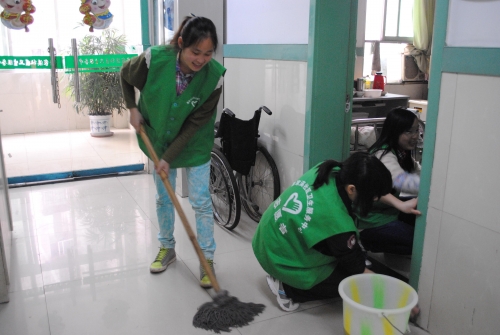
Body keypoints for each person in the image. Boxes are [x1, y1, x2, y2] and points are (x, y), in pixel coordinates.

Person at [120, 15, 225, 288]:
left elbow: (194, 125)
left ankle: (206, 259)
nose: (201, 59)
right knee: (164, 197)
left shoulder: (213, 78)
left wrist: (168, 159)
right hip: (159, 137)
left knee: (201, 201)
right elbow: (124, 74)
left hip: (194, 142)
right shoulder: (154, 59)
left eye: (208, 53)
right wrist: (132, 107)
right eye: (195, 52)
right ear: (181, 44)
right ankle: (167, 248)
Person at [252, 152, 420, 311]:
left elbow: (369, 188)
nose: (376, 199)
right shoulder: (336, 224)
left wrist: (400, 204)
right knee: (350, 282)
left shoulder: (331, 170)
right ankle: (287, 289)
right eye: (373, 196)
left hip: (268, 233)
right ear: (352, 189)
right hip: (275, 255)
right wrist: (395, 298)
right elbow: (358, 270)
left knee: (350, 259)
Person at [357, 108, 422, 256]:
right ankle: (363, 241)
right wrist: (433, 189)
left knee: (423, 226)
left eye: (416, 130)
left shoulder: (401, 153)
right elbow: (402, 181)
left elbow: (419, 172)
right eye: (409, 131)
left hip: (388, 210)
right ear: (395, 131)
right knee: (418, 242)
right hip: (369, 219)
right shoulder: (382, 153)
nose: (415, 136)